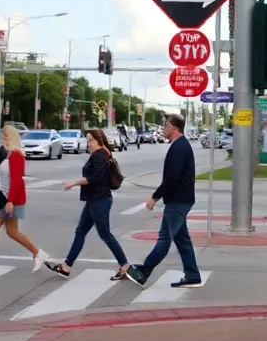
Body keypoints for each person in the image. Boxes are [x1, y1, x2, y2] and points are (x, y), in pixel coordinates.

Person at [124, 114, 201, 289]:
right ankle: (192, 275)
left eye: (165, 124)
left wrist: (155, 197)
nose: (163, 127)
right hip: (181, 199)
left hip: (178, 201)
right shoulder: (179, 146)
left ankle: (144, 271)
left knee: (164, 239)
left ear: (175, 127)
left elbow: (171, 178)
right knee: (182, 240)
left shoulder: (179, 148)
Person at [45, 128, 130, 280]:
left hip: (100, 200)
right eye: (87, 140)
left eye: (91, 140)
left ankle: (125, 266)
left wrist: (74, 183)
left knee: (105, 234)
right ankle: (66, 266)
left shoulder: (99, 156)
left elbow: (95, 178)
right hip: (93, 200)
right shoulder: (101, 154)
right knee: (81, 232)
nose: (88, 143)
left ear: (99, 141)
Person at [0, 123, 48, 275]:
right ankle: (38, 253)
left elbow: (16, 180)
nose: (1, 139)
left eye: (3, 136)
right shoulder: (11, 154)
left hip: (9, 198)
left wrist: (10, 201)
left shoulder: (16, 155)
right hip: (6, 196)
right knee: (11, 232)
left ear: (8, 137)